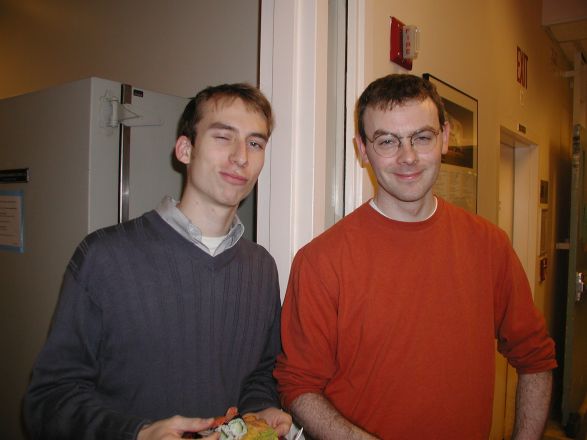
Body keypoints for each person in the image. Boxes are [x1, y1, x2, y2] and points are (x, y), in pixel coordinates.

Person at [273, 74, 556, 439]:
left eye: (422, 137)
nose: (407, 157)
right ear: (362, 149)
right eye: (387, 141)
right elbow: (298, 385)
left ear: (446, 137)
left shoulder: (489, 246)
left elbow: (536, 359)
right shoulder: (320, 261)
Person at [24, 83, 292, 440]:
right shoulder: (103, 257)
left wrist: (260, 409)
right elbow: (48, 400)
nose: (241, 156)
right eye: (223, 137)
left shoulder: (261, 268)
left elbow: (260, 373)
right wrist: (138, 433)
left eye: (255, 143)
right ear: (185, 149)